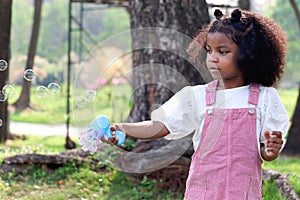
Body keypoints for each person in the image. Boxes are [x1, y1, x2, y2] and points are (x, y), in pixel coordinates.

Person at [107, 8, 289, 200]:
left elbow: (264, 151)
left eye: (223, 51)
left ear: (249, 55)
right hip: (202, 193)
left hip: (242, 194)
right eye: (209, 50)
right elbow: (160, 126)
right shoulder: (198, 96)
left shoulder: (264, 98)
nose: (212, 58)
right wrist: (124, 128)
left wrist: (270, 150)